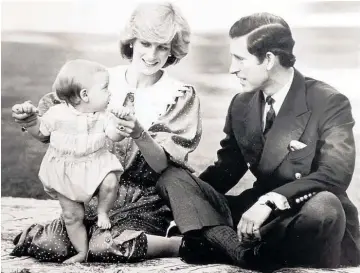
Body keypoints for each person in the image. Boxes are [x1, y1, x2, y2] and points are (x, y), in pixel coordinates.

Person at [156, 12, 360, 269]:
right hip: (251, 217)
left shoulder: (328, 102)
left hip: (301, 216)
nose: (232, 68)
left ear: (269, 60)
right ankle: (242, 251)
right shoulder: (241, 105)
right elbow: (225, 170)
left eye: (240, 58)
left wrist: (269, 201)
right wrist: (182, 205)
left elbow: (335, 174)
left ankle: (217, 243)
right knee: (173, 178)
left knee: (325, 207)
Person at [11, 2, 201, 263]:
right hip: (89, 193)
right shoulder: (98, 82)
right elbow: (51, 131)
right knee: (49, 245)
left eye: (162, 46)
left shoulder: (178, 96)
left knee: (105, 247)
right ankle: (86, 235)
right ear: (132, 41)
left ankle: (176, 244)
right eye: (146, 43)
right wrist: (31, 119)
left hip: (143, 200)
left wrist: (139, 134)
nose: (152, 54)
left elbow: (163, 167)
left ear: (172, 50)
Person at [12, 59, 128, 263]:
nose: (110, 93)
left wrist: (120, 126)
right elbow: (40, 130)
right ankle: (81, 252)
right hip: (65, 170)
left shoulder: (104, 115)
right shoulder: (57, 113)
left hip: (95, 163)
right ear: (85, 95)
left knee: (110, 180)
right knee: (72, 216)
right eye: (105, 88)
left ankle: (102, 211)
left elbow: (113, 135)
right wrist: (29, 120)